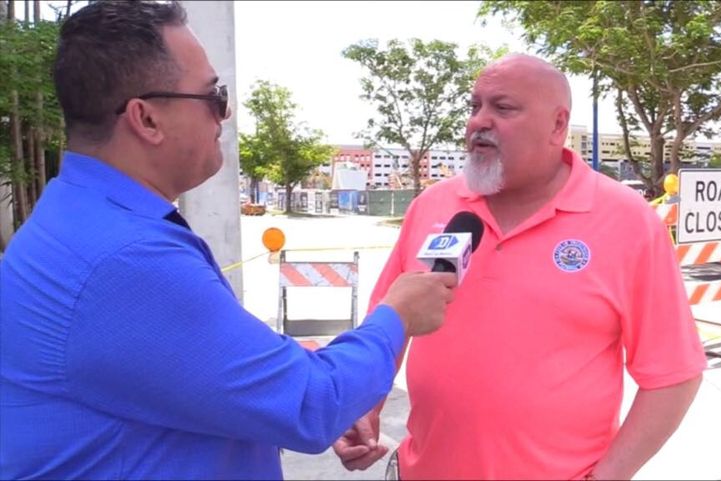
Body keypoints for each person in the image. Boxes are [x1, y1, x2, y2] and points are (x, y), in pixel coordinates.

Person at [0, 2, 456, 479]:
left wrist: (289, 382)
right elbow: (311, 403)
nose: (225, 112)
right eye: (212, 96)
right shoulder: (125, 258)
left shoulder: (79, 217)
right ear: (147, 119)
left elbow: (192, 361)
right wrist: (396, 317)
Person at [333, 54, 707, 480]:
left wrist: (610, 475)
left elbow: (674, 374)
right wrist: (364, 404)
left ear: (557, 125)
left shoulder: (627, 220)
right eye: (474, 107)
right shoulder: (432, 206)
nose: (479, 122)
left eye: (503, 108)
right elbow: (388, 324)